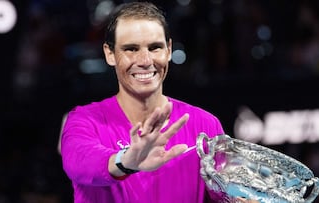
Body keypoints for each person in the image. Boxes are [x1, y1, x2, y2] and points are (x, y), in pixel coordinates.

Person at [61, 2, 257, 203]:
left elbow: (223, 194)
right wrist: (125, 161)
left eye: (155, 47)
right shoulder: (84, 120)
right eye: (131, 49)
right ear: (110, 54)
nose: (145, 60)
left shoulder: (205, 125)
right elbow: (80, 163)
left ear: (169, 50)